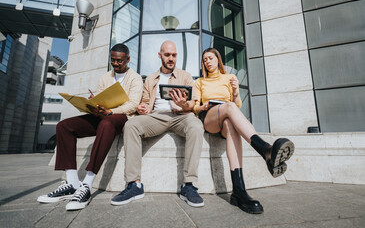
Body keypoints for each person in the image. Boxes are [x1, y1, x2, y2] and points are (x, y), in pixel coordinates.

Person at [37, 44, 143, 211]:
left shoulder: (135, 78)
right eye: (113, 60)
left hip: (122, 118)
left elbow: (133, 105)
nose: (115, 64)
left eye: (119, 61)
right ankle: (72, 182)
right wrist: (95, 104)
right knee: (64, 126)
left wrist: (110, 112)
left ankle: (87, 183)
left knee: (107, 123)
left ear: (128, 59)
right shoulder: (105, 77)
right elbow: (102, 100)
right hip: (103, 116)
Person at [193, 48, 295, 214]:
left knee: (231, 123)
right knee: (229, 107)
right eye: (205, 60)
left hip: (226, 115)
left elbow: (237, 104)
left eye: (210, 58)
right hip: (209, 117)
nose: (208, 62)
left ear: (217, 59)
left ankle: (239, 191)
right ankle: (265, 150)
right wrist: (203, 106)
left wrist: (234, 91)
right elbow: (195, 107)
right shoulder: (200, 82)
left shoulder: (230, 78)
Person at [110, 41, 205, 207]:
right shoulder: (151, 78)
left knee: (196, 126)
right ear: (160, 55)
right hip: (157, 116)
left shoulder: (185, 76)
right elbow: (146, 102)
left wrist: (183, 104)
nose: (171, 58)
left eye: (174, 55)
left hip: (181, 115)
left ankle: (188, 185)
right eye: (167, 55)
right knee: (131, 125)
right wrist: (143, 107)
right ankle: (134, 185)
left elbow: (192, 104)